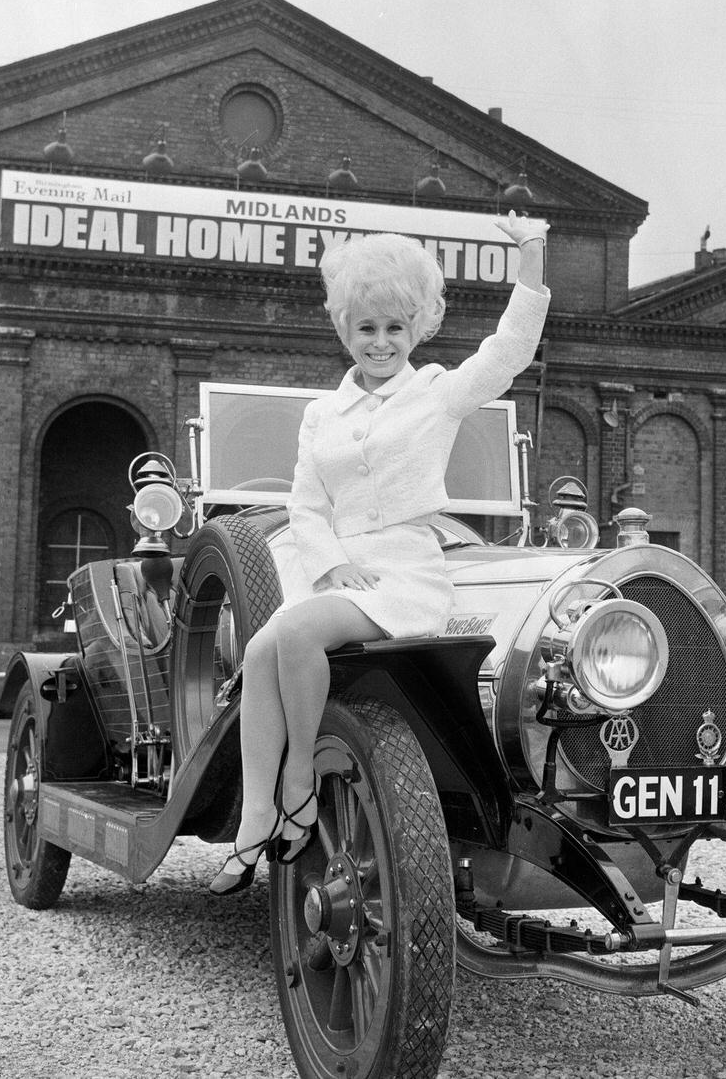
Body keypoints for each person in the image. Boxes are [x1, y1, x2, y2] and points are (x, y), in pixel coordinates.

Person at [209, 211, 550, 893]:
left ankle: (298, 781)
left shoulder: (436, 395)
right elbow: (305, 505)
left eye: (396, 327)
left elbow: (508, 351)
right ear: (345, 329)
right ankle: (254, 821)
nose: (381, 342)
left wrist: (533, 256)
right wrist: (331, 562)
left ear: (417, 327)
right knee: (257, 653)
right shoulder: (321, 415)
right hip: (335, 570)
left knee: (295, 633)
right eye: (367, 328)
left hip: (403, 572)